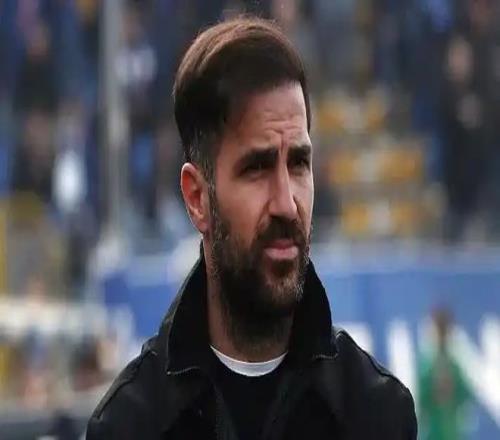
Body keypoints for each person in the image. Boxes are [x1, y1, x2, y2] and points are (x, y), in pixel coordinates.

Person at [86, 17, 417, 439]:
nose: (286, 204)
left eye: (298, 163)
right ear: (197, 198)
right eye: (257, 168)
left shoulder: (375, 413)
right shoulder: (133, 425)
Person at [418, 307, 472, 440]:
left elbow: (466, 395)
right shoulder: (427, 366)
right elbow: (421, 400)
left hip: (453, 432)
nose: (442, 336)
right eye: (439, 330)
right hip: (434, 433)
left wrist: (452, 391)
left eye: (444, 330)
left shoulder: (455, 365)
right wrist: (434, 390)